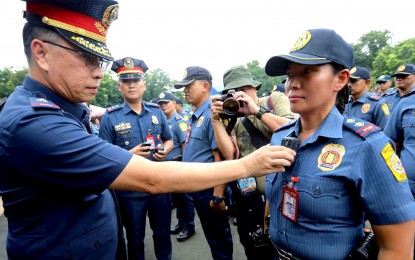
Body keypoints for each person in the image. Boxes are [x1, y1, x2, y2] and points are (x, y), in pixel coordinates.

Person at [0, 1, 296, 258]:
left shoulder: (61, 109)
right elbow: (153, 178)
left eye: (99, 60)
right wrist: (247, 165)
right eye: (87, 58)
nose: (98, 72)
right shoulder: (34, 121)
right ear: (41, 53)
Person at [264, 28, 415, 259]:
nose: (292, 84)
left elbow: (397, 248)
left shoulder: (367, 145)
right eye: (289, 75)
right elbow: (273, 201)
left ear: (341, 79)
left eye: (307, 72)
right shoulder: (279, 136)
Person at [210, 65, 296, 259]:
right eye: (232, 92)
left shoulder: (274, 100)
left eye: (243, 90)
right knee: (254, 250)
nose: (239, 96)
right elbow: (229, 155)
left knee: (282, 250)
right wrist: (216, 121)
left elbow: (294, 131)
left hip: (280, 195)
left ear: (254, 88)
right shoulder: (230, 114)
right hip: (248, 197)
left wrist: (256, 111)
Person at [99, 57, 175, 259]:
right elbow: (104, 155)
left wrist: (165, 151)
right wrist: (128, 154)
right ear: (119, 86)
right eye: (125, 81)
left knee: (163, 235)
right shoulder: (110, 117)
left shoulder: (157, 112)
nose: (131, 85)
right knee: (134, 239)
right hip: (130, 192)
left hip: (159, 186)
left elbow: (169, 140)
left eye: (136, 80)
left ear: (144, 85)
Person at [174, 66, 233, 259]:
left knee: (218, 239)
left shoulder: (211, 113)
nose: (185, 90)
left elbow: (222, 157)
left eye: (189, 85)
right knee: (212, 236)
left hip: (210, 189)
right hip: (199, 188)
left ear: (205, 85)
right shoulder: (196, 114)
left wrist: (218, 196)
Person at [156, 91, 196, 242]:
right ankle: (181, 222)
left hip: (179, 164)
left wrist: (186, 168)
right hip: (168, 167)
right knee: (177, 198)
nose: (163, 106)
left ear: (174, 103)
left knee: (185, 198)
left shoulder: (179, 122)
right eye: (160, 104)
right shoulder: (163, 122)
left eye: (166, 102)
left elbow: (186, 146)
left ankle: (189, 225)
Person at [384, 64, 415, 198]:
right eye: (398, 77)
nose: (400, 79)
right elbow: (392, 141)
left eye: (404, 76)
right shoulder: (406, 102)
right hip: (409, 185)